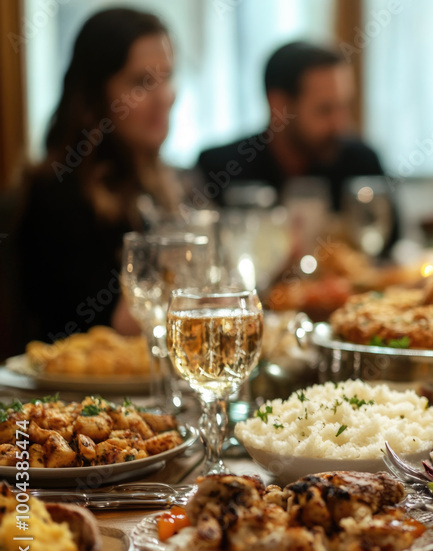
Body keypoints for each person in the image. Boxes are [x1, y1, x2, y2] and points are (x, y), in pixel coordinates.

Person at [15, 7, 179, 344]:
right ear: (95, 94)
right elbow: (109, 329)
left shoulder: (159, 181)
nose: (164, 97)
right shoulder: (58, 195)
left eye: (167, 77)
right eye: (142, 82)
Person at [196, 41, 395, 244]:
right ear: (279, 107)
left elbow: (390, 249)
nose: (340, 125)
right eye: (325, 110)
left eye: (344, 107)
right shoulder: (221, 169)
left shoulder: (362, 165)